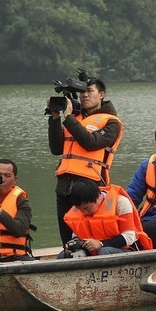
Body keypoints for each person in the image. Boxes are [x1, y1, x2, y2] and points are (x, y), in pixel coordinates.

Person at [47, 76, 123, 244]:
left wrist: (68, 118)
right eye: (82, 92)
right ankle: (67, 257)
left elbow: (92, 143)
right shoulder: (75, 118)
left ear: (101, 94)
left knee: (88, 231)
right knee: (66, 232)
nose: (84, 95)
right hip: (64, 183)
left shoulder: (111, 122)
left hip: (89, 183)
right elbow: (56, 149)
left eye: (89, 91)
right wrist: (54, 119)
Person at [60, 179, 151, 256]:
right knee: (63, 254)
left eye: (87, 208)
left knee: (104, 251)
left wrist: (101, 244)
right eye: (80, 209)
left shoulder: (121, 202)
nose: (84, 212)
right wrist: (72, 245)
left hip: (125, 249)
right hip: (93, 250)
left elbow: (130, 236)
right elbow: (75, 236)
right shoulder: (80, 208)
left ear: (98, 198)